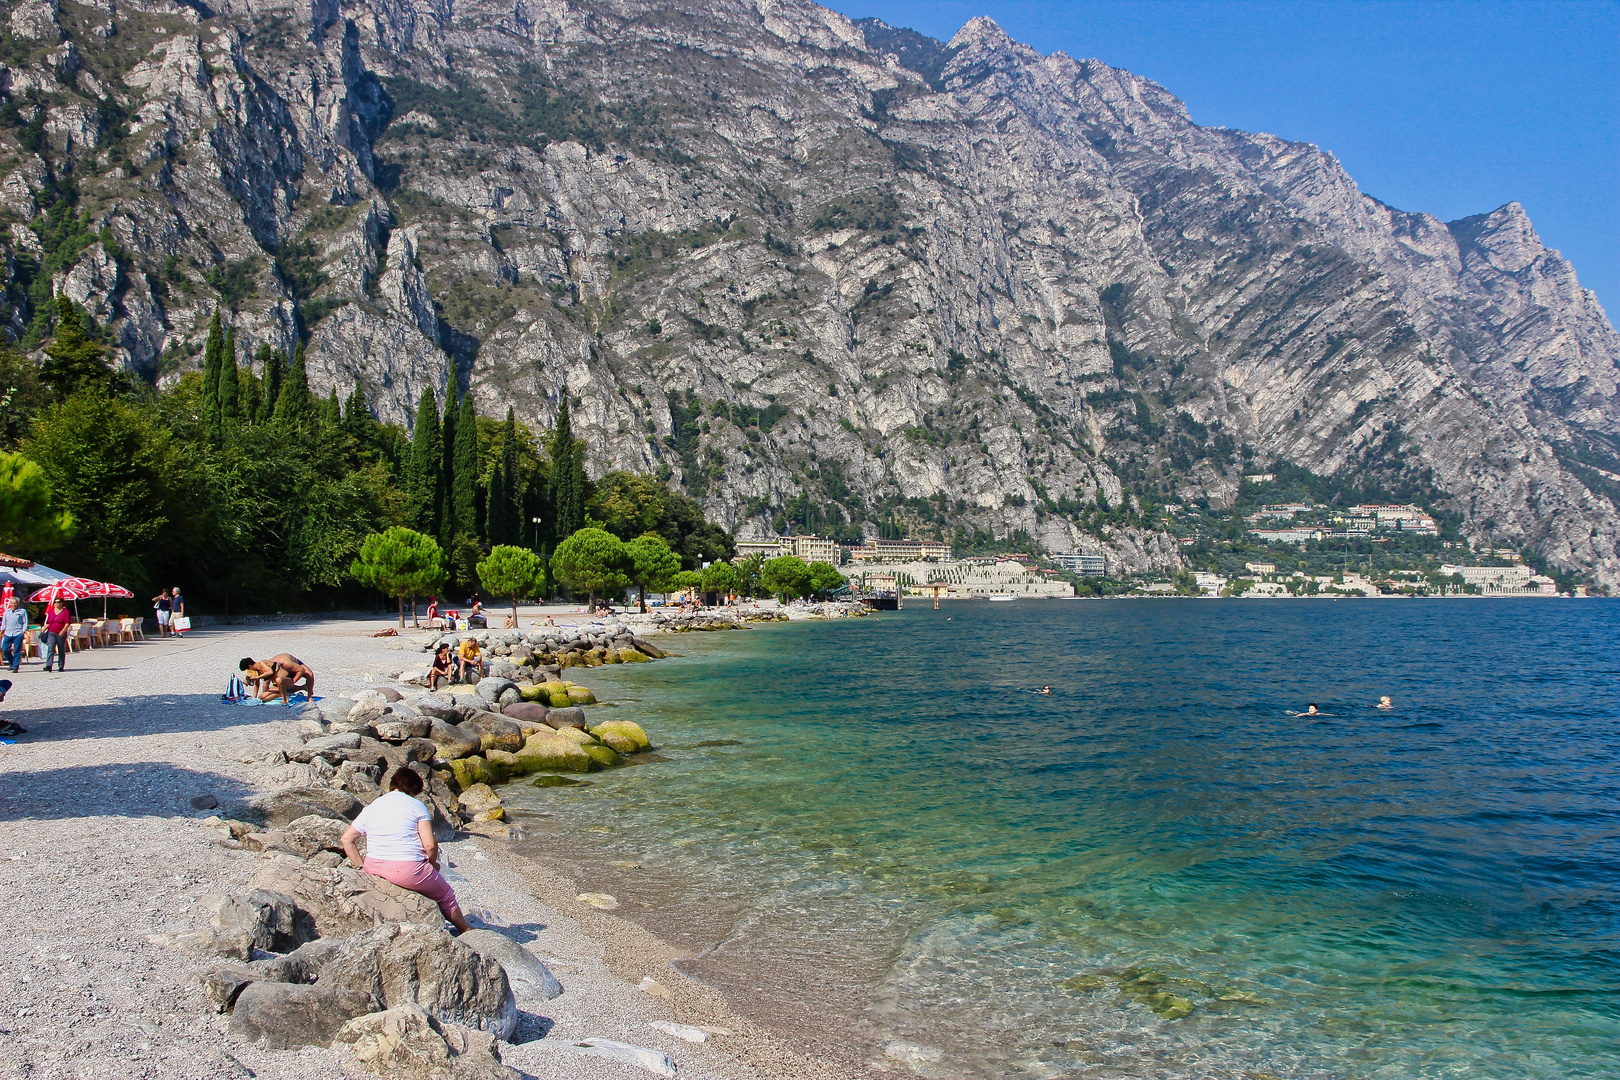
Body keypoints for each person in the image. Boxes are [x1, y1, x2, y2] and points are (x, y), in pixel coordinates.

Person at [340, 768, 471, 934]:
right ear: (415, 788)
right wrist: (432, 865)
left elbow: (346, 839)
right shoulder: (416, 805)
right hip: (406, 869)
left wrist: (361, 868)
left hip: (373, 867)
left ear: (393, 784)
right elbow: (430, 845)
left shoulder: (373, 806)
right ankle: (466, 929)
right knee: (445, 894)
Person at [41, 599, 70, 672]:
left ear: (62, 603)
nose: (56, 604)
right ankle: (49, 665)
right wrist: (42, 632)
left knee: (61, 649)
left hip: (60, 633)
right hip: (51, 632)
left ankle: (61, 665)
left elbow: (67, 623)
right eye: (55, 602)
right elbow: (48, 623)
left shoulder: (65, 612)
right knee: (50, 648)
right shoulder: (51, 612)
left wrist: (63, 630)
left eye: (58, 602)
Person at [1, 597, 26, 674]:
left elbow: (25, 622)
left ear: (17, 603)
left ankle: (15, 667)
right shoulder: (6, 612)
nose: (13, 604)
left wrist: (23, 631)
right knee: (5, 649)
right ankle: (12, 662)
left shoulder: (22, 611)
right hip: (8, 633)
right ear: (10, 604)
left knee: (17, 651)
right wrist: (2, 631)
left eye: (15, 603)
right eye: (12, 603)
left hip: (17, 633)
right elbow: (4, 622)